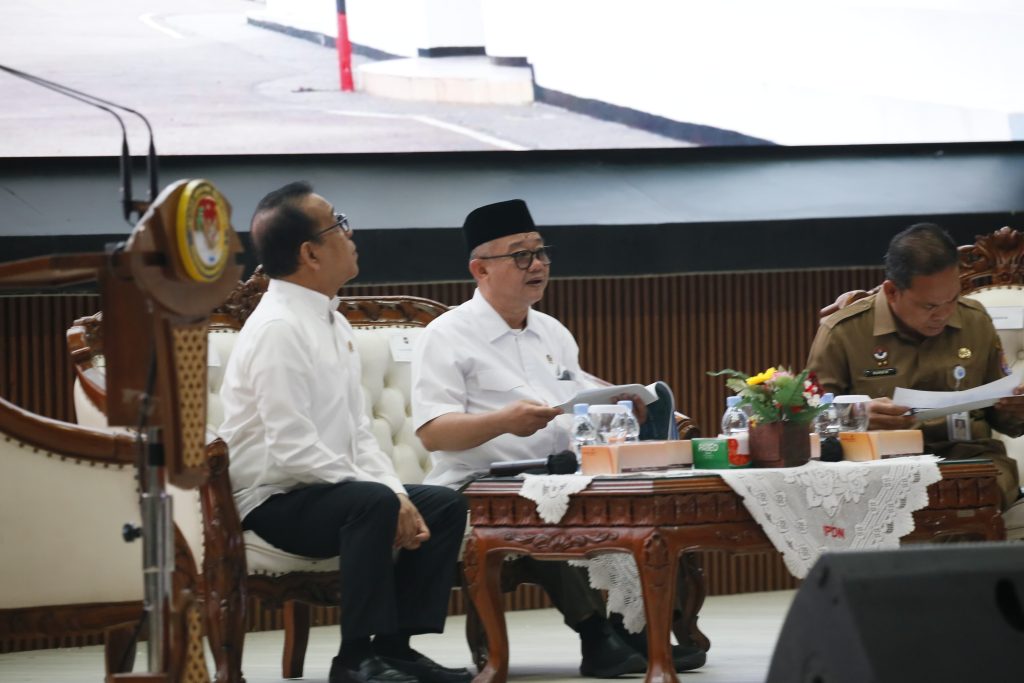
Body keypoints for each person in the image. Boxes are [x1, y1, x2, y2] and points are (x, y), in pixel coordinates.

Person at [410, 198, 705, 676]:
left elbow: (578, 393)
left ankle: (634, 627)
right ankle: (595, 637)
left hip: (559, 472)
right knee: (539, 504)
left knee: (632, 496)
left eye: (541, 251)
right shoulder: (446, 335)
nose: (538, 264)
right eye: (521, 255)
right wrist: (504, 421)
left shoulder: (552, 332)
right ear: (480, 269)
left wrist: (621, 400)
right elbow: (432, 433)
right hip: (477, 483)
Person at [219, 181, 471, 683]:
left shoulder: (332, 321)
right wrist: (384, 496)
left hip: (325, 491)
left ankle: (395, 650)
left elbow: (358, 433)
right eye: (339, 224)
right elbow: (291, 451)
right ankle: (353, 659)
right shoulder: (278, 328)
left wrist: (398, 491)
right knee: (371, 503)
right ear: (310, 253)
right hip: (273, 499)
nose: (351, 234)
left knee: (442, 504)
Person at [807, 222, 1024, 508]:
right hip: (878, 464)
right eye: (929, 306)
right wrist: (855, 416)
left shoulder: (975, 320)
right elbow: (807, 419)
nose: (944, 314)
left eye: (952, 299)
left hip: (968, 459)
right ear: (892, 292)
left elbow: (1004, 417)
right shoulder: (844, 332)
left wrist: (1016, 408)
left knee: (979, 490)